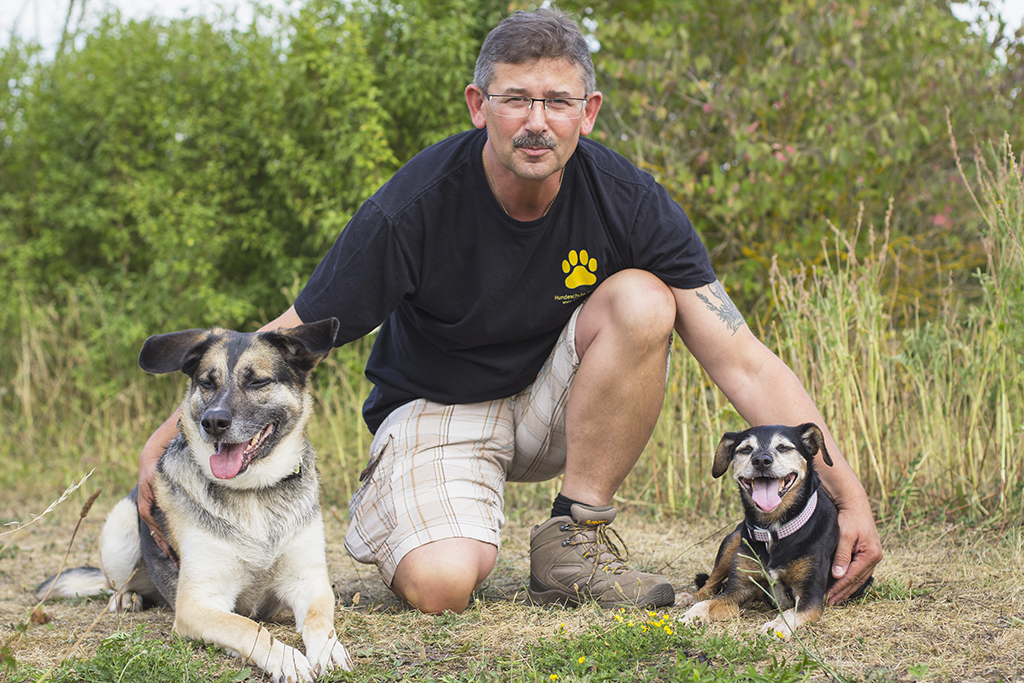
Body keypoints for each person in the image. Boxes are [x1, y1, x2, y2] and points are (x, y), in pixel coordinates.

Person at [138, 6, 882, 615]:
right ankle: (396, 506)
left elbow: (741, 357)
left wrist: (847, 496)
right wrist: (171, 445)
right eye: (515, 98)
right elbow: (284, 338)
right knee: (441, 587)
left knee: (643, 298)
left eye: (558, 101)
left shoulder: (630, 200)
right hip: (436, 409)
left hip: (555, 406)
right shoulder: (412, 207)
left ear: (587, 112)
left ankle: (573, 538)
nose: (537, 121)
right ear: (478, 105)